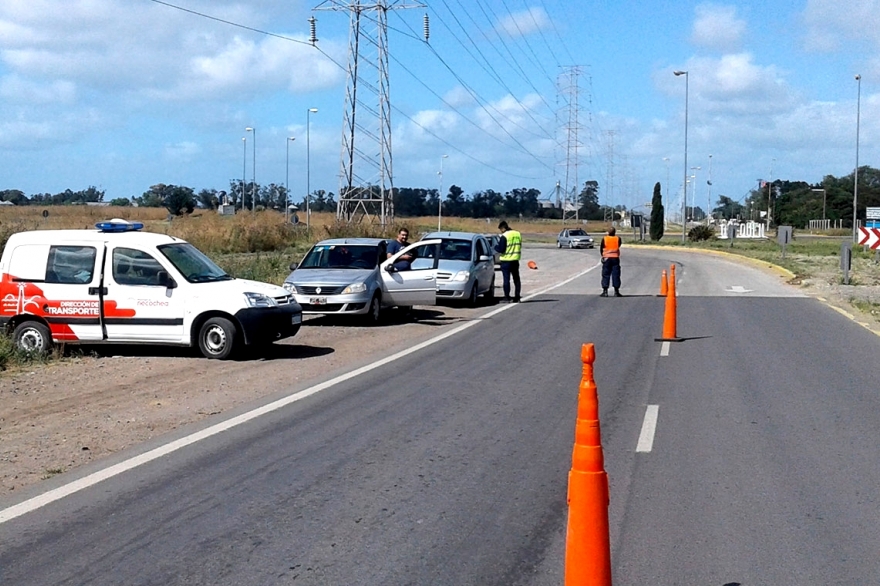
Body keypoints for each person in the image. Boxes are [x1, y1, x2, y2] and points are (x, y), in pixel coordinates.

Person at [495, 220, 522, 302]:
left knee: (506, 280)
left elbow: (501, 249)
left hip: (506, 261)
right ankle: (517, 297)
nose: (501, 231)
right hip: (515, 260)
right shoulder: (518, 234)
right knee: (516, 279)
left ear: (503, 228)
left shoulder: (505, 236)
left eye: (500, 229)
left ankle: (507, 297)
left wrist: (496, 247)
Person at [599, 226, 622, 297]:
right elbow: (619, 245)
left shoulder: (605, 239)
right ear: (615, 232)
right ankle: (616, 291)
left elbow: (601, 248)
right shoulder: (618, 239)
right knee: (616, 274)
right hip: (615, 258)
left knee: (606, 274)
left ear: (608, 232)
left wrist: (603, 256)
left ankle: (605, 291)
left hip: (606, 258)